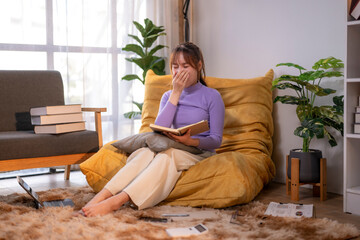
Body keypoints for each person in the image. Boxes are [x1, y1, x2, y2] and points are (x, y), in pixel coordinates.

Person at [80, 42, 225, 217]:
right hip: (175, 145)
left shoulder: (212, 96)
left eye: (185, 66)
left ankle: (116, 202)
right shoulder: (168, 96)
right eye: (175, 67)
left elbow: (216, 139)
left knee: (166, 157)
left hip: (199, 152)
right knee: (145, 153)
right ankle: (98, 199)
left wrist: (190, 141)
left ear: (199, 66)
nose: (179, 72)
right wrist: (176, 93)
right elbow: (160, 128)